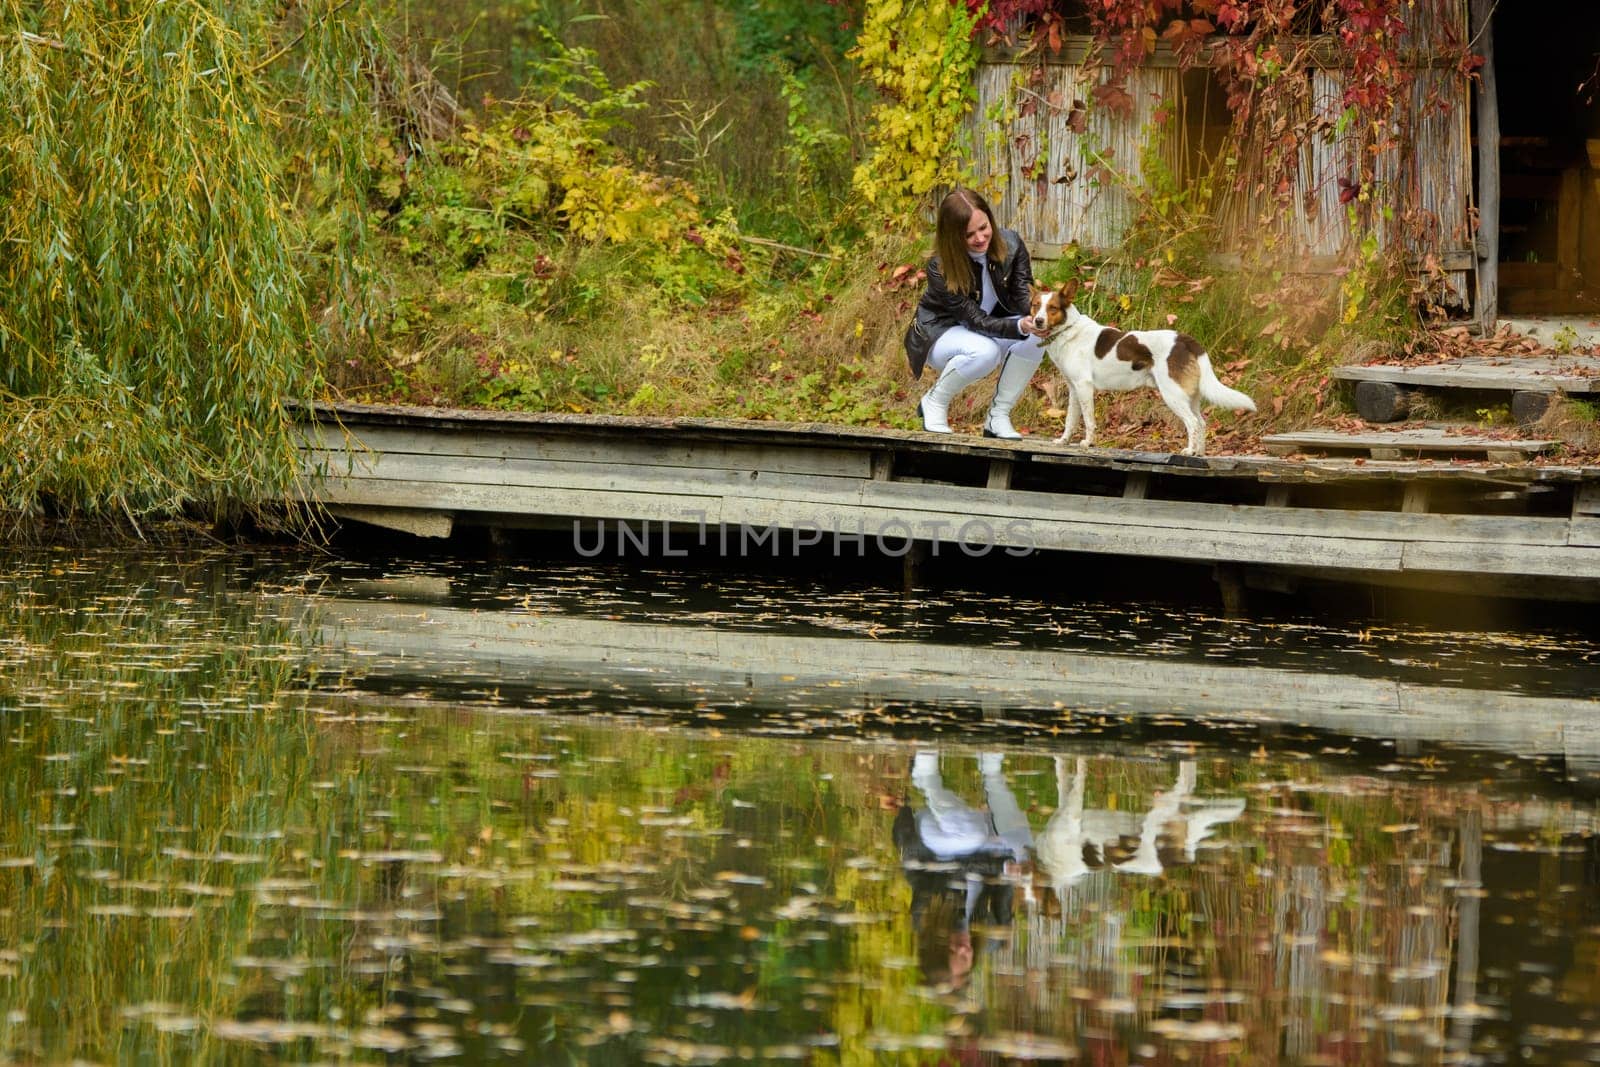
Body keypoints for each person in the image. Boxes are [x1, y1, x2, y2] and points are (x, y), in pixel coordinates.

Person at [902, 188, 1053, 438]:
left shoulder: (1012, 244)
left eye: (984, 227)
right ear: (952, 237)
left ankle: (997, 417)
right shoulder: (940, 268)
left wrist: (1040, 317)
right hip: (939, 334)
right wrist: (1018, 327)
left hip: (985, 328)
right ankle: (934, 402)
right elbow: (972, 319)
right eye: (969, 234)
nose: (980, 238)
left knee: (1037, 338)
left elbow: (1021, 295)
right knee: (986, 351)